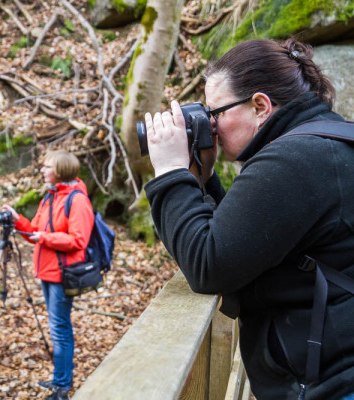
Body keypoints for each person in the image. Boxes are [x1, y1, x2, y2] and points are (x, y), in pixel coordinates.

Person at [143, 38, 354, 400]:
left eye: (216, 113)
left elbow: (209, 264)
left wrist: (169, 173)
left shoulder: (293, 160)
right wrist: (203, 178)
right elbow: (244, 240)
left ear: (260, 106)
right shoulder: (327, 140)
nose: (209, 127)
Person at [2, 150, 94, 400]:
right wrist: (16, 219)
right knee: (57, 326)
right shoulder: (50, 197)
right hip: (47, 271)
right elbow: (34, 229)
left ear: (61, 171)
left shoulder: (77, 200)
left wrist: (44, 238)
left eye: (47, 167)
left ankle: (62, 386)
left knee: (60, 327)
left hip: (64, 274)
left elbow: (79, 240)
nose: (42, 170)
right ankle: (59, 380)